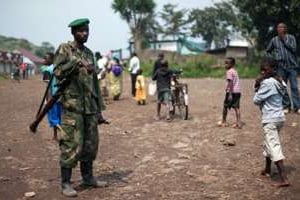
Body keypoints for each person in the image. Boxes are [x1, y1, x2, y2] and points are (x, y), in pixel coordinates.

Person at [53, 18, 107, 197]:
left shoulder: (90, 53)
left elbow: (94, 84)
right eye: (81, 31)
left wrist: (99, 109)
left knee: (90, 145)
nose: (85, 34)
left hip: (89, 108)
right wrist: (75, 63)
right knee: (71, 144)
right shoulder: (65, 49)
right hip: (72, 107)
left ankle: (88, 177)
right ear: (73, 32)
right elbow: (58, 73)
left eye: (87, 30)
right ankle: (66, 183)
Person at [253, 58, 289, 187]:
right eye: (261, 70)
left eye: (265, 70)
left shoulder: (267, 83)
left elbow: (256, 100)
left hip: (270, 119)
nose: (263, 72)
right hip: (279, 118)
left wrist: (257, 85)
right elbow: (283, 93)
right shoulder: (280, 81)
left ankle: (284, 179)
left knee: (273, 145)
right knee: (268, 142)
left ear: (272, 69)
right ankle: (268, 169)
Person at [266, 22, 300, 114]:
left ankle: (297, 107)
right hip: (280, 67)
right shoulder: (274, 40)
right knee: (282, 87)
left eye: (282, 27)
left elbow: (294, 49)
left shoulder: (291, 38)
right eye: (278, 27)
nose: (280, 29)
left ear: (285, 29)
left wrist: (284, 40)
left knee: (294, 87)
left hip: (292, 66)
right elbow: (268, 51)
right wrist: (272, 59)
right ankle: (286, 106)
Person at [218, 57, 242, 128]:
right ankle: (238, 123)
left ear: (232, 64)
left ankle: (223, 121)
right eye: (225, 63)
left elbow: (230, 82)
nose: (225, 65)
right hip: (238, 91)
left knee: (225, 106)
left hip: (231, 92)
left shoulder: (229, 72)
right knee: (237, 107)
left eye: (227, 63)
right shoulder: (235, 71)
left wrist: (230, 93)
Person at [43, 52, 61, 141]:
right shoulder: (60, 68)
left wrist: (48, 99)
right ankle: (56, 135)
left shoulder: (47, 70)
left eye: (46, 58)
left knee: (53, 116)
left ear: (52, 59)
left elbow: (48, 87)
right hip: (61, 96)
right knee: (59, 115)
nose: (44, 60)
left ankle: (56, 135)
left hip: (53, 96)